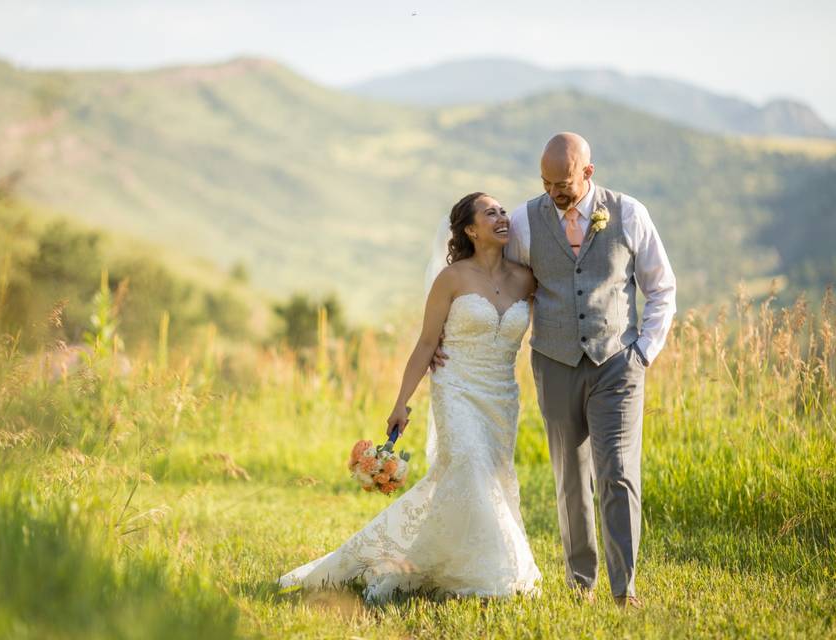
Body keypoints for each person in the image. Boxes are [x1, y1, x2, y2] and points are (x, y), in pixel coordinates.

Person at [434, 132, 677, 609]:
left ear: (588, 172)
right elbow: (496, 278)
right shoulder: (524, 220)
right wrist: (452, 333)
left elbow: (661, 287)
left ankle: (624, 589)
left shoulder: (628, 213)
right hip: (555, 361)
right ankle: (580, 584)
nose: (553, 192)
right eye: (545, 182)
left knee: (619, 473)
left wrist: (644, 350)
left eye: (562, 183)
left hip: (617, 363)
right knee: (571, 477)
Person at [278, 192, 542, 601]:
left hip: (501, 397)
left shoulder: (527, 278)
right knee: (469, 464)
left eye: (503, 211)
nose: (502, 217)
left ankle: (438, 561)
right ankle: (494, 574)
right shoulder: (452, 279)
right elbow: (424, 344)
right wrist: (401, 402)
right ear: (470, 230)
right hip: (456, 388)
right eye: (490, 213)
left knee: (490, 478)